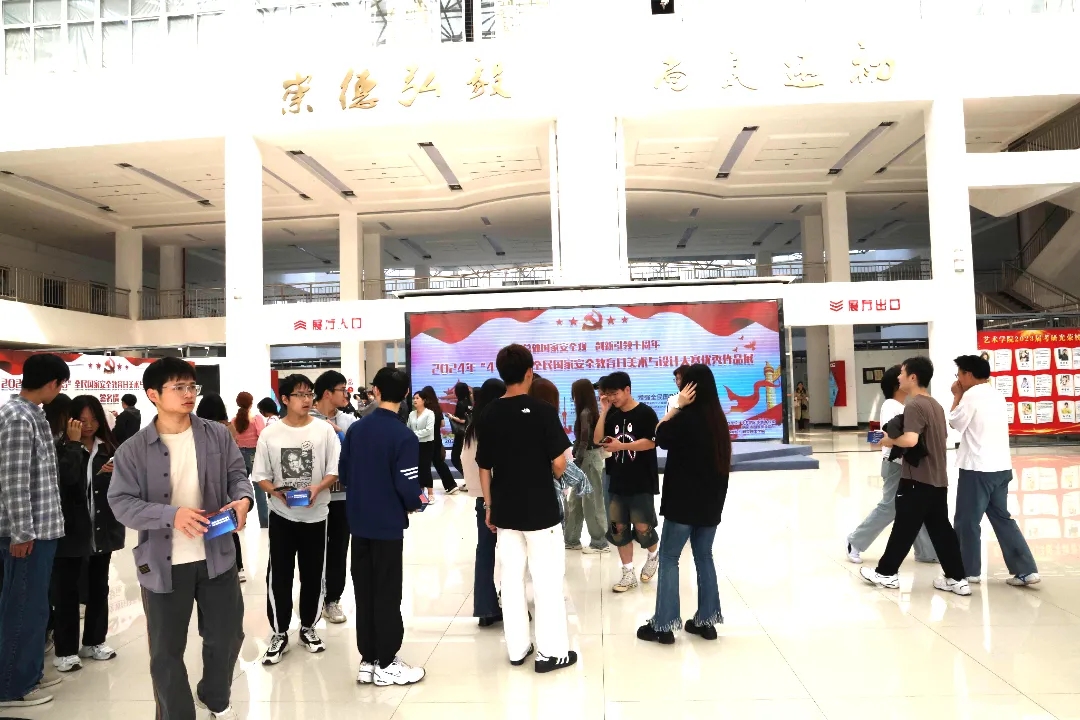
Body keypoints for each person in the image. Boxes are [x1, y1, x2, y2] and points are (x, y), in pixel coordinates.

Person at [108, 357, 251, 720]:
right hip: (162, 563)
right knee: (166, 651)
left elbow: (238, 475)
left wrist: (243, 500)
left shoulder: (217, 434)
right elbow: (121, 503)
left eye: (192, 386)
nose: (189, 394)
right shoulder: (133, 449)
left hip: (217, 554)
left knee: (228, 636)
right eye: (179, 387)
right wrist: (171, 515)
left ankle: (214, 696)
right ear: (153, 395)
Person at [476, 344, 577, 673]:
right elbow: (560, 463)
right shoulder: (543, 411)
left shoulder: (489, 413)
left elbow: (484, 467)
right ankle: (551, 653)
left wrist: (489, 506)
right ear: (530, 372)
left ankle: (517, 649)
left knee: (511, 580)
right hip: (541, 511)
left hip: (505, 512)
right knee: (547, 581)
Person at [339, 367, 426, 686]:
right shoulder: (404, 436)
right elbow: (408, 486)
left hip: (359, 524)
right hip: (387, 526)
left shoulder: (357, 430)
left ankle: (368, 659)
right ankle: (387, 662)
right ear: (406, 394)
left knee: (364, 591)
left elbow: (344, 474)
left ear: (375, 391)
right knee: (387, 593)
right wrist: (419, 501)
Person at [860, 357, 971, 596]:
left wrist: (888, 440)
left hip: (916, 479)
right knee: (941, 530)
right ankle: (957, 579)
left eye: (902, 373)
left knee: (904, 528)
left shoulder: (914, 406)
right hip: (937, 479)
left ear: (913, 377)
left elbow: (911, 440)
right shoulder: (936, 405)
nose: (898, 377)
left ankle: (886, 573)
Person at [638, 364, 730, 644]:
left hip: (682, 504)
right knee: (704, 556)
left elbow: (658, 434)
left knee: (669, 558)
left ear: (689, 389)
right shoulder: (718, 421)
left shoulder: (684, 419)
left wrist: (676, 406)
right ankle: (707, 621)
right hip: (711, 504)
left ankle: (664, 625)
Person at [252, 374, 340, 665]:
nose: (306, 399)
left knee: (313, 573)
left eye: (309, 394)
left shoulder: (324, 431)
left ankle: (308, 628)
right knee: (279, 574)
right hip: (283, 515)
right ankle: (279, 633)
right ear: (285, 399)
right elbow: (260, 475)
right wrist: (276, 494)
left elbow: (334, 469)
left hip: (317, 515)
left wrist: (318, 487)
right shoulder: (270, 434)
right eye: (300, 394)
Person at [0, 353, 69, 709]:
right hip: (29, 534)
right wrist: (22, 533)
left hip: (43, 529)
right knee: (23, 608)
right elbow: (13, 480)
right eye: (61, 385)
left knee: (36, 607)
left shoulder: (32, 414)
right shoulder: (16, 417)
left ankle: (29, 671)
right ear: (53, 383)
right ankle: (12, 686)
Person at [950, 355, 1040, 586]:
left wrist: (956, 396)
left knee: (967, 521)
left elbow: (955, 422)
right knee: (1002, 518)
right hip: (1001, 467)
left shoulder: (971, 395)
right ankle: (1026, 569)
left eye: (959, 374)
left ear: (968, 374)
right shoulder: (996, 394)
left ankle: (968, 571)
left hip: (978, 469)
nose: (958, 379)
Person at [51, 395, 125, 672]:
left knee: (98, 588)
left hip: (101, 528)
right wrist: (72, 445)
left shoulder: (109, 449)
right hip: (70, 531)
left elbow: (127, 488)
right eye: (82, 420)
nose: (89, 425)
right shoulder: (61, 448)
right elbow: (66, 480)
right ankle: (65, 650)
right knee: (67, 592)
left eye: (93, 419)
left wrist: (113, 475)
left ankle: (94, 641)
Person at [846, 366, 937, 566]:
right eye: (902, 375)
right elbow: (890, 435)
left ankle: (926, 551)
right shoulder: (890, 405)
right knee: (890, 508)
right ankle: (855, 541)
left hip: (907, 465)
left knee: (915, 507)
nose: (906, 378)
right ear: (897, 384)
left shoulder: (902, 405)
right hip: (895, 464)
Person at [594, 371, 661, 593]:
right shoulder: (611, 415)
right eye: (608, 394)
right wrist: (604, 411)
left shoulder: (646, 413)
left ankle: (653, 555)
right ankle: (628, 573)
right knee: (618, 528)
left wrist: (621, 446)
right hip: (616, 481)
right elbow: (597, 440)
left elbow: (650, 443)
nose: (612, 398)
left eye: (615, 394)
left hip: (641, 481)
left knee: (642, 527)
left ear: (627, 390)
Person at [311, 371, 355, 625]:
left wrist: (339, 431)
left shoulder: (348, 421)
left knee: (338, 549)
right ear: (327, 393)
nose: (346, 394)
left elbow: (359, 452)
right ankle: (312, 598)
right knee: (312, 549)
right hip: (314, 496)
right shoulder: (306, 420)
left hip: (342, 496)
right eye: (341, 390)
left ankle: (333, 599)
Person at [462, 379, 507, 627]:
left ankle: (485, 607)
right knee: (511, 552)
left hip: (481, 498)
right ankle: (510, 603)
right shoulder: (494, 425)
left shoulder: (473, 427)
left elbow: (466, 461)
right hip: (499, 496)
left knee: (485, 552)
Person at [198, 394, 247, 582]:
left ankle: (217, 565)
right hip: (227, 482)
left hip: (211, 482)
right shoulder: (228, 427)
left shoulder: (202, 430)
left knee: (213, 525)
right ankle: (238, 566)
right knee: (229, 526)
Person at [565, 379, 609, 553]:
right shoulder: (590, 411)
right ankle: (571, 539)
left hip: (588, 458)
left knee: (591, 501)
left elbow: (584, 440)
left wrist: (577, 458)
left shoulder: (585, 413)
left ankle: (599, 542)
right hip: (588, 458)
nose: (573, 397)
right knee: (577, 499)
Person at [231, 392, 269, 529]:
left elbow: (234, 438)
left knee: (239, 488)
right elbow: (262, 436)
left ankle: (239, 521)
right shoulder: (256, 418)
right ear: (251, 403)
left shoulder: (234, 420)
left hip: (239, 454)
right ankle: (264, 522)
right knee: (259, 489)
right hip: (254, 454)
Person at [420, 386, 459, 495]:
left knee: (424, 464)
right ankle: (451, 485)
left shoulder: (424, 409)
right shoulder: (437, 408)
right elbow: (442, 424)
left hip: (426, 439)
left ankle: (422, 489)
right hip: (437, 439)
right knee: (439, 463)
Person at [448, 382, 473, 485]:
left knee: (455, 458)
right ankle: (470, 480)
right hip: (468, 433)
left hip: (460, 434)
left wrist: (452, 417)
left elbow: (463, 420)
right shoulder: (470, 402)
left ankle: (469, 480)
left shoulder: (460, 403)